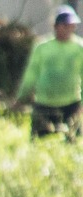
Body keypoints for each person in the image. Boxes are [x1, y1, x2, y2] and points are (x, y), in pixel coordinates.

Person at [19, 7, 83, 139]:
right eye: (65, 25)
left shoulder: (79, 47)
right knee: (39, 140)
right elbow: (31, 74)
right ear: (56, 26)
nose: (68, 29)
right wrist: (22, 96)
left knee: (71, 141)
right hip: (44, 103)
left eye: (71, 26)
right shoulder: (42, 47)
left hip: (70, 103)